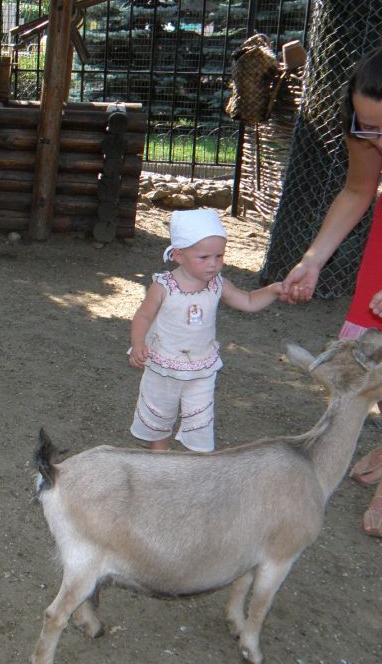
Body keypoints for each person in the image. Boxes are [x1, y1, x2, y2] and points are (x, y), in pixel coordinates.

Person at [281, 47, 382, 536]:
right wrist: (312, 259)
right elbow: (359, 191)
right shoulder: (367, 131)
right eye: (368, 129)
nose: (375, 140)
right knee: (375, 352)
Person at [129, 209, 283, 452]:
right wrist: (138, 344)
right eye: (204, 257)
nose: (213, 264)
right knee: (159, 414)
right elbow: (143, 315)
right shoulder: (163, 286)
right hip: (164, 364)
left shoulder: (219, 285)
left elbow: (250, 301)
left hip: (202, 368)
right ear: (179, 255)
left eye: (219, 256)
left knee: (199, 419)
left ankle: (197, 463)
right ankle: (158, 461)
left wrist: (274, 290)